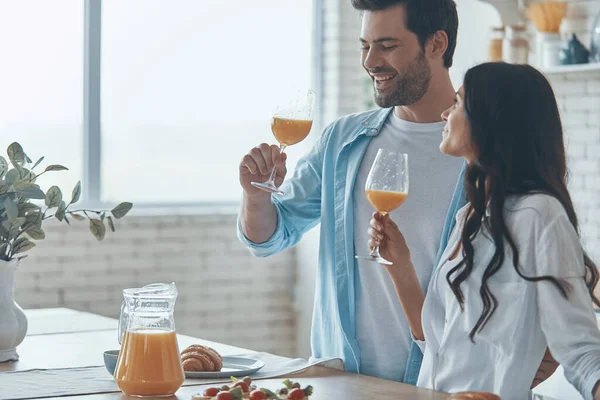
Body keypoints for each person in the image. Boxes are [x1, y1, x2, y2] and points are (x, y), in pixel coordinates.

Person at [237, 0, 464, 384]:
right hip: (341, 381)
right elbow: (269, 238)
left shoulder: (483, 153)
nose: (370, 61)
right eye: (364, 46)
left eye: (387, 45)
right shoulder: (344, 140)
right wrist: (256, 196)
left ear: (436, 44)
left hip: (442, 383)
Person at [367, 62, 600, 399]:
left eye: (459, 102)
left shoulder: (538, 214)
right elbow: (437, 344)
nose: (446, 113)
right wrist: (400, 265)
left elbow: (580, 348)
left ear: (493, 120)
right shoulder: (469, 217)